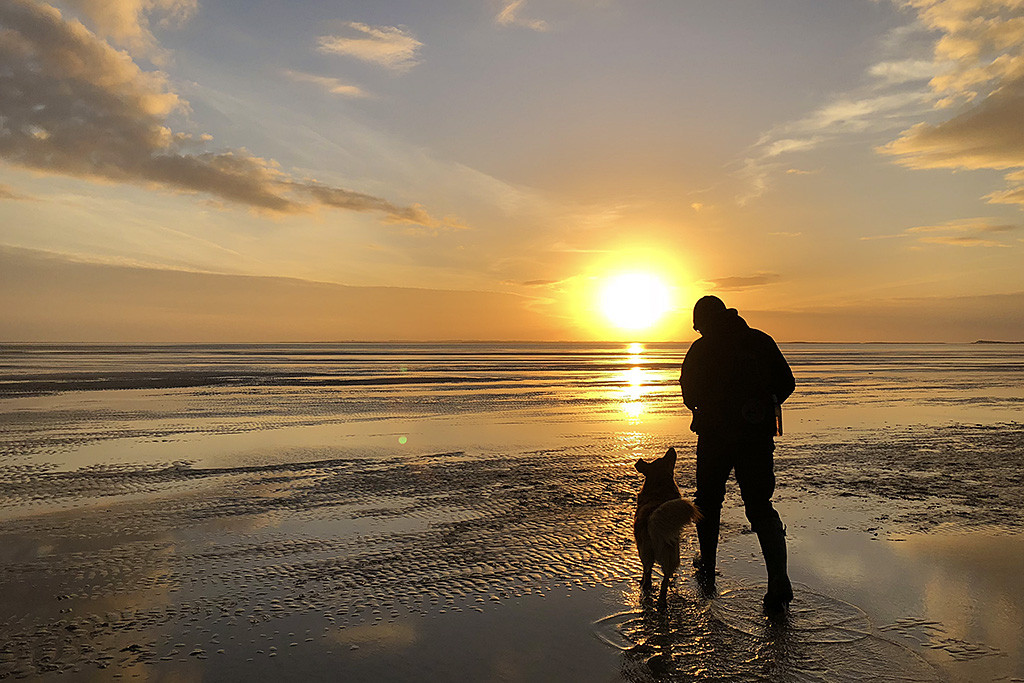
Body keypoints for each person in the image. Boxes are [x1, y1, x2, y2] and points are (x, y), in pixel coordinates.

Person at [679, 295, 796, 613]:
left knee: (707, 504)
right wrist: (764, 404)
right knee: (760, 507)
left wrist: (703, 406)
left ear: (704, 322)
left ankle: (707, 566)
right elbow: (787, 382)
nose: (698, 331)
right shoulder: (760, 340)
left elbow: (688, 393)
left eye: (698, 326)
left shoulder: (701, 349)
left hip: (715, 439)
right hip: (755, 437)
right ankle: (778, 582)